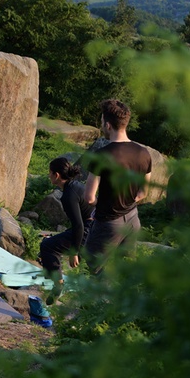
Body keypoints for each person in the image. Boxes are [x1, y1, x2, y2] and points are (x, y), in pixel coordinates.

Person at [83, 99, 152, 274]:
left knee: (90, 269)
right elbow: (143, 192)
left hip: (108, 223)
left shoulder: (102, 155)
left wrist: (105, 203)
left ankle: (93, 302)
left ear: (107, 125)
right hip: (132, 220)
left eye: (101, 122)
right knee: (124, 274)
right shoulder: (143, 153)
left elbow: (89, 197)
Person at [38, 157, 95, 287]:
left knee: (47, 246)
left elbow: (78, 226)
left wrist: (74, 252)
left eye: (50, 172)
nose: (48, 175)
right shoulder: (77, 185)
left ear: (56, 175)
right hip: (96, 225)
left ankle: (57, 285)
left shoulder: (68, 196)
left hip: (89, 228)